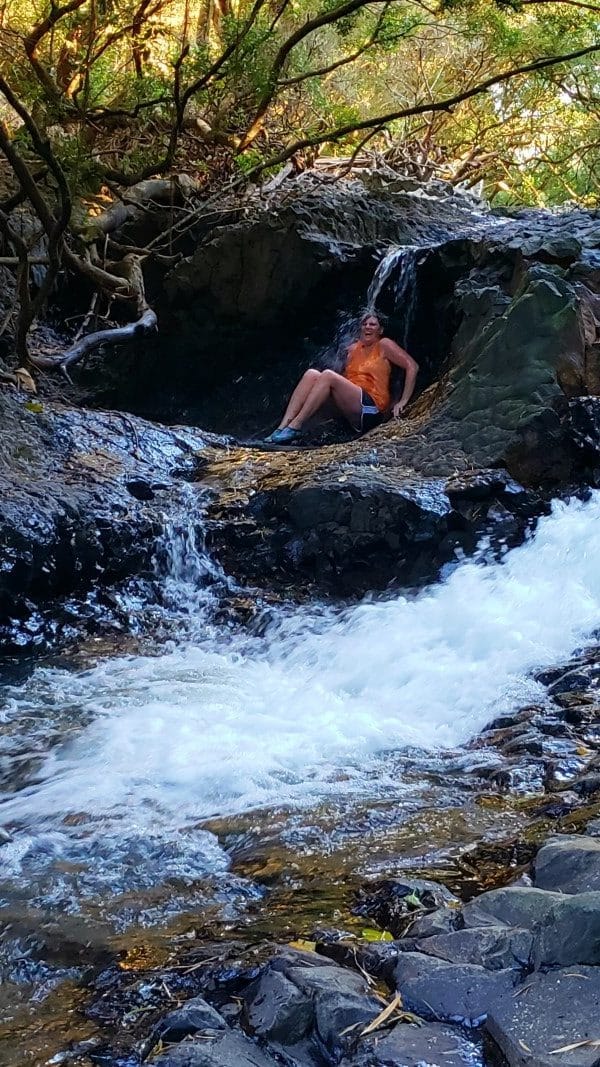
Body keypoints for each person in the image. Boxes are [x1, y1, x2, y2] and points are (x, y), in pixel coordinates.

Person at [265, 312, 419, 444]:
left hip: (371, 409)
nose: (367, 327)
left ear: (381, 330)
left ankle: (295, 427)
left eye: (373, 324)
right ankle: (282, 428)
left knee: (328, 375)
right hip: (351, 408)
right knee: (311, 374)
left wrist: (403, 400)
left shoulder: (384, 345)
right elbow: (345, 382)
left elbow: (412, 366)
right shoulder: (352, 349)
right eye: (365, 324)